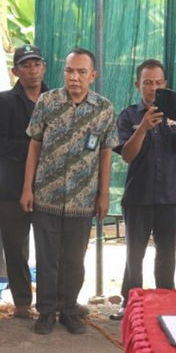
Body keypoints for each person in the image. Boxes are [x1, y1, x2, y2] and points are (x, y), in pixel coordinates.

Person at [21, 48, 117, 335]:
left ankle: (70, 309)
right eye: (69, 71)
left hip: (83, 198)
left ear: (93, 75)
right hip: (46, 195)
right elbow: (34, 145)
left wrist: (103, 194)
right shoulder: (48, 102)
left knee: (75, 259)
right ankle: (47, 311)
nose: (74, 77)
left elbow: (106, 153)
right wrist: (27, 188)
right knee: (47, 259)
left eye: (81, 72)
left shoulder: (104, 109)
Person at [110, 59, 176, 320]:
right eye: (147, 82)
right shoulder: (128, 115)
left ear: (165, 85)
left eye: (158, 82)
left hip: (171, 196)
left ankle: (165, 301)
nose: (152, 88)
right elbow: (126, 155)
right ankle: (131, 303)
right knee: (134, 253)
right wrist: (144, 129)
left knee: (167, 251)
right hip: (138, 195)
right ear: (138, 85)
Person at [0, 44, 48, 319]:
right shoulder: (3, 101)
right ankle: (22, 302)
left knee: (50, 246)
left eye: (36, 64)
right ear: (15, 71)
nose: (32, 70)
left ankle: (50, 302)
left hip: (48, 186)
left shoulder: (57, 100)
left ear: (44, 67)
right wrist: (32, 147)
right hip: (11, 187)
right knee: (15, 246)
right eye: (25, 65)